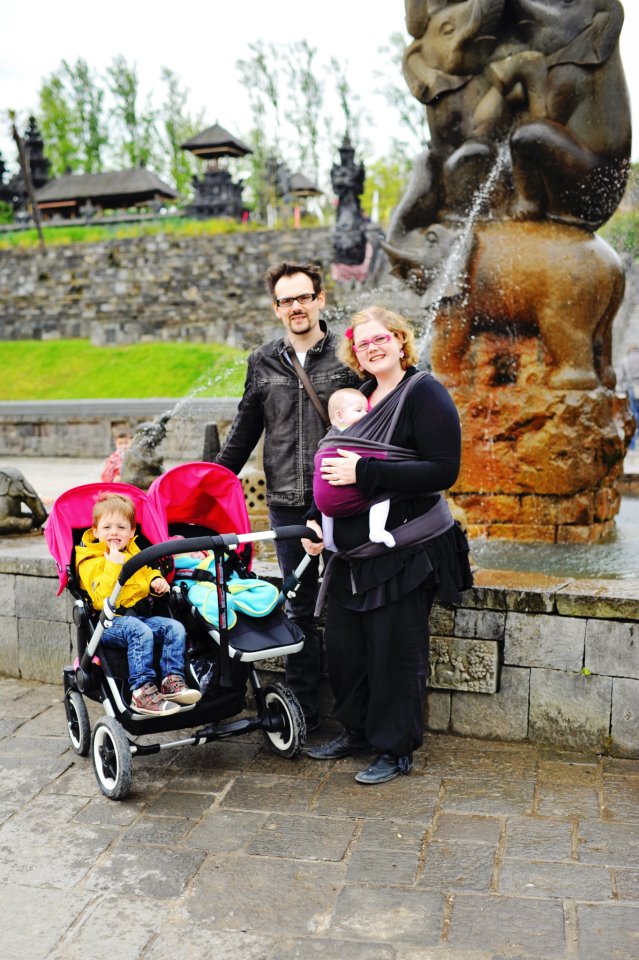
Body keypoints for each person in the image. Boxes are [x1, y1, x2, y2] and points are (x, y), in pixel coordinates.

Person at [303, 306, 473, 784]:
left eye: (381, 339)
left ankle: (395, 749)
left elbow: (443, 470)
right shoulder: (358, 398)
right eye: (363, 344)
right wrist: (315, 521)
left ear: (400, 341)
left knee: (394, 654)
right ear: (355, 354)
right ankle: (356, 731)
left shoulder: (424, 393)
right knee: (346, 651)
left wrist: (366, 471)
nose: (372, 348)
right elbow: (330, 466)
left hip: (404, 553)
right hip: (349, 558)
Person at [215, 261, 359, 731]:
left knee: (346, 604)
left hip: (340, 500)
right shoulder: (263, 361)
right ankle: (302, 708)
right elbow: (243, 432)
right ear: (276, 308)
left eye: (303, 297)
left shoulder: (348, 356)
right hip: (285, 503)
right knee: (297, 603)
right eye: (286, 300)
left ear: (320, 299)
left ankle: (354, 713)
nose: (296, 307)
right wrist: (206, 483)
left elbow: (369, 426)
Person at [75, 492, 201, 716]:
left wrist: (155, 581)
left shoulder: (134, 553)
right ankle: (141, 692)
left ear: (132, 532)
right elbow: (102, 598)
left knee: (174, 628)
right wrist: (113, 565)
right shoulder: (89, 561)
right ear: (95, 531)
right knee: (139, 630)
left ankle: (171, 681)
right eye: (107, 527)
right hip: (108, 624)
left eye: (121, 527)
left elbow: (146, 573)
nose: (114, 532)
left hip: (139, 617)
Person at [314, 387, 395, 552]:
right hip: (345, 493)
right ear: (339, 415)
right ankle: (377, 530)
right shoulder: (357, 436)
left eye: (366, 410)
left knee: (325, 510)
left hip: (324, 503)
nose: (366, 414)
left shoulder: (328, 438)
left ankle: (328, 541)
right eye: (359, 411)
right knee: (382, 496)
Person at [618, 345, 639, 451]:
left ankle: (632, 444)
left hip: (631, 389)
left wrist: (621, 390)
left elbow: (620, 379)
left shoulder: (624, 361)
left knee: (633, 415)